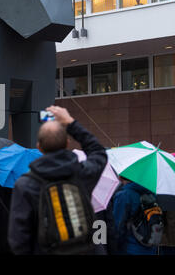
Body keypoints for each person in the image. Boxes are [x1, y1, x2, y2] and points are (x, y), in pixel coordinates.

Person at [8, 105, 107, 255]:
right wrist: (70, 122)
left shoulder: (25, 184)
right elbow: (98, 152)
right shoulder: (81, 173)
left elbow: (18, 238)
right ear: (67, 143)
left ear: (39, 147)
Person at [112, 177, 158, 255]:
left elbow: (118, 227)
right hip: (150, 248)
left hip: (129, 248)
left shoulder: (124, 195)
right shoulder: (151, 193)